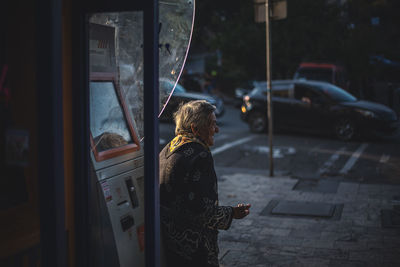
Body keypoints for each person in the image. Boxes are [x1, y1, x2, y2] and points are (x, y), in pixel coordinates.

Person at [159, 100, 251, 267]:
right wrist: (232, 213)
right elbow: (202, 211)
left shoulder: (169, 147)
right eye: (212, 124)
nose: (217, 130)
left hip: (170, 240)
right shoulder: (199, 155)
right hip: (193, 247)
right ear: (195, 128)